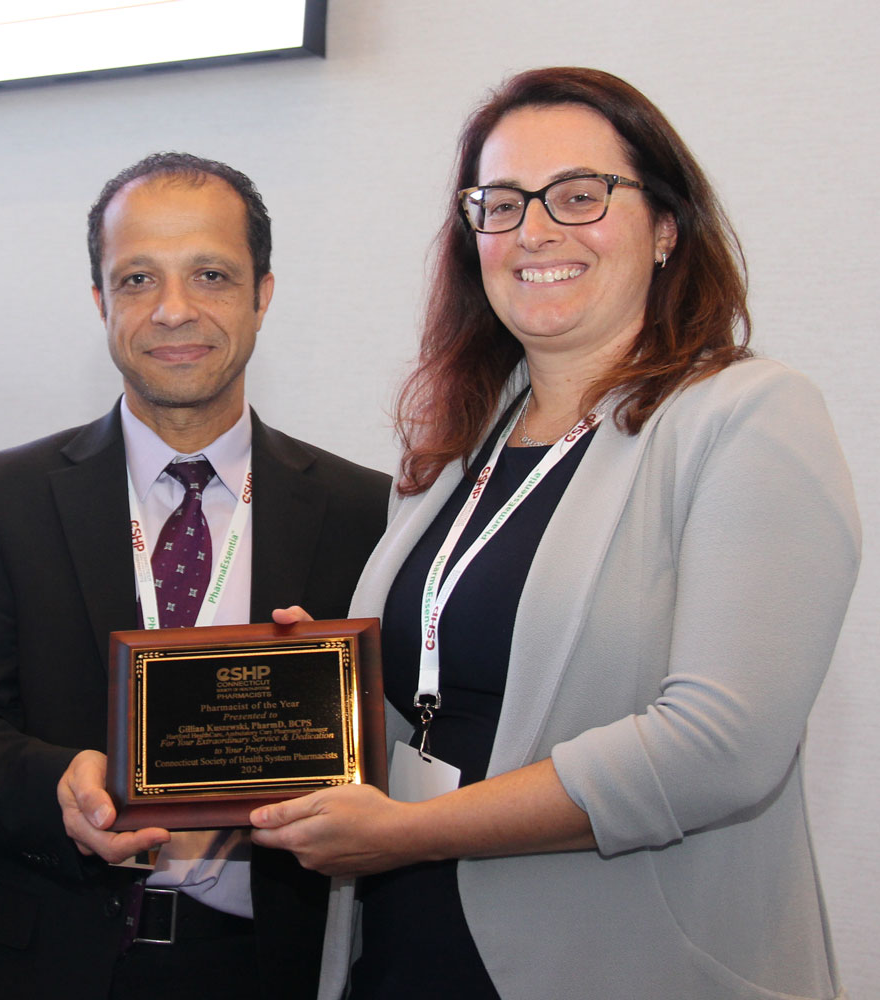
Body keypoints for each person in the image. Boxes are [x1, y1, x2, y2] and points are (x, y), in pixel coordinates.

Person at [248, 67, 861, 1000]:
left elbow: (719, 748)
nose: (534, 229)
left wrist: (410, 833)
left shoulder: (748, 416)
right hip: (407, 946)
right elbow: (450, 701)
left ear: (665, 226)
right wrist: (321, 691)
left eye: (579, 195)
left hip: (625, 964)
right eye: (499, 204)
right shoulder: (465, 438)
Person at [0, 152, 390, 1000]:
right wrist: (59, 791)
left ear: (262, 294)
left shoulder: (365, 512)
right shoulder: (1, 496)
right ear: (101, 302)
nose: (174, 311)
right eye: (137, 279)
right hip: (37, 961)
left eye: (210, 274)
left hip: (268, 965)